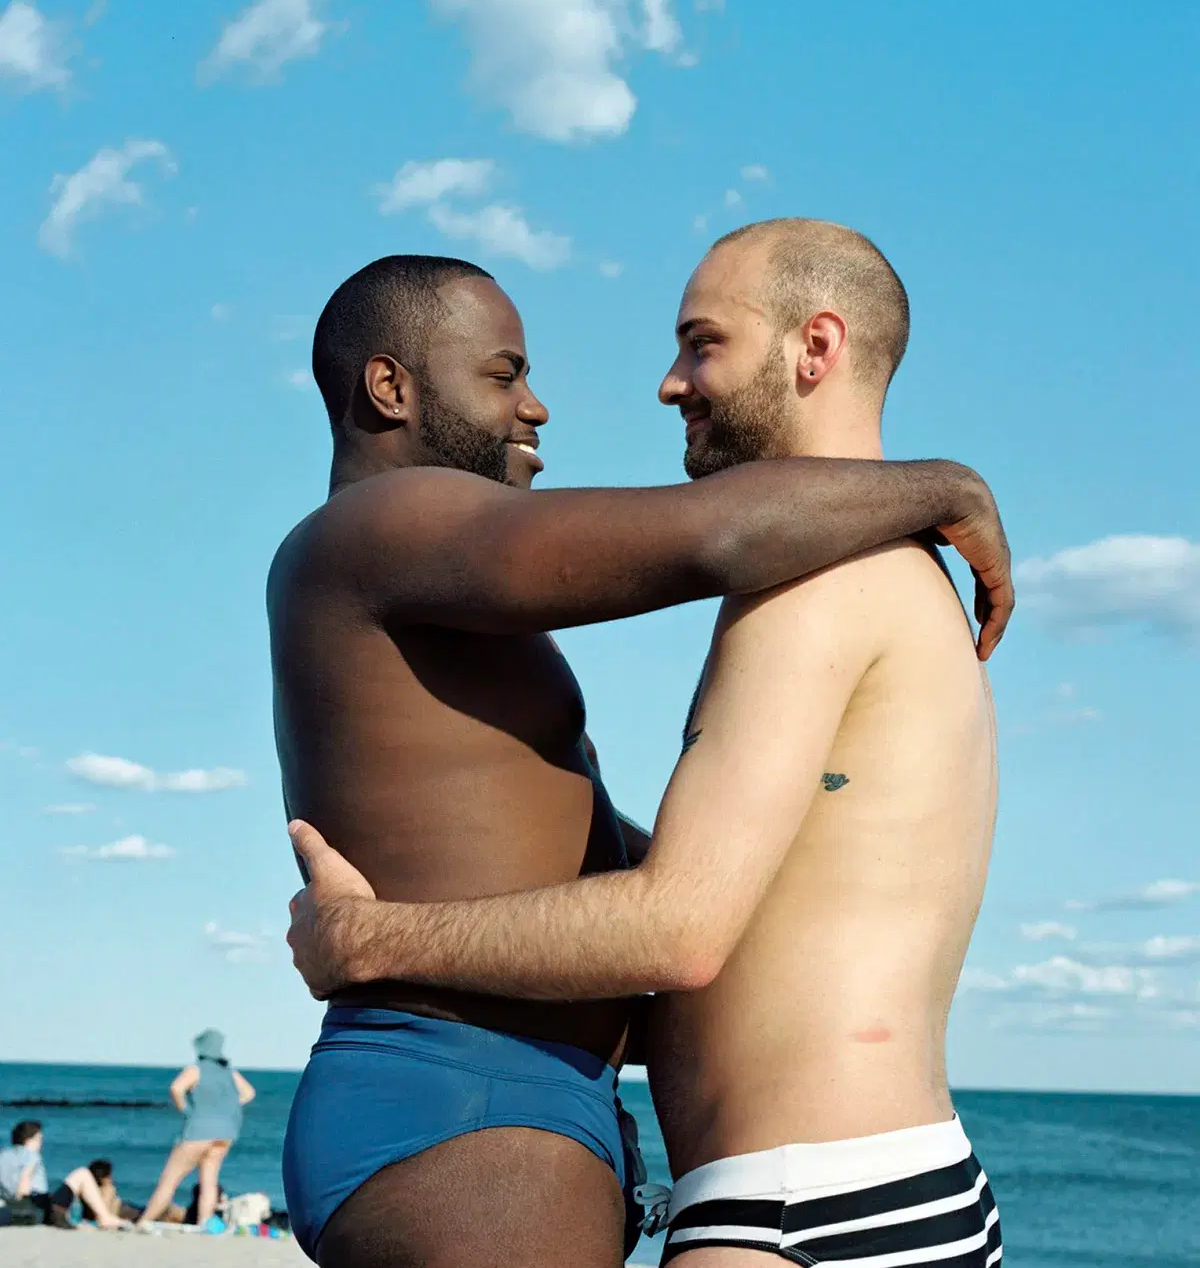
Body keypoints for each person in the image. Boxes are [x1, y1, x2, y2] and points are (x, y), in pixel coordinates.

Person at [287, 223, 1010, 1267]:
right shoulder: (374, 529)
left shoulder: (824, 579)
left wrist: (375, 937)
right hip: (507, 1102)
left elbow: (677, 910)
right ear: (390, 389)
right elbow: (704, 533)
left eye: (701, 343)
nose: (667, 384)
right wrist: (948, 487)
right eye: (506, 374)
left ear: (816, 348)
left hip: (780, 1187)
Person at [137, 1029, 255, 1228]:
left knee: (170, 1180)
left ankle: (145, 1221)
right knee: (209, 1183)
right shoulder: (229, 1071)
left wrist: (186, 1110)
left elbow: (176, 1089)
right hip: (226, 1133)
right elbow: (249, 1093)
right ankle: (203, 1225)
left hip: (199, 1131)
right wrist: (229, 1107)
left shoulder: (196, 1069)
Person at [0, 1121, 125, 1229]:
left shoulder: (4, 1155)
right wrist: (22, 1201)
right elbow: (24, 1187)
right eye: (39, 1139)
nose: (41, 1143)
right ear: (29, 1139)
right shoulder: (31, 1155)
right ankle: (105, 1217)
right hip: (37, 1209)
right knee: (82, 1174)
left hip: (12, 1208)